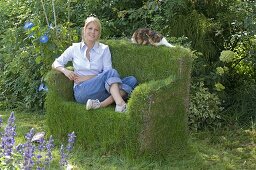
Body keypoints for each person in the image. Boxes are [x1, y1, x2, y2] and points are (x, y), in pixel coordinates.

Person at [52, 16, 137, 113]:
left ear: (99, 34)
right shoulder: (74, 48)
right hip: (82, 91)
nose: (93, 32)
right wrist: (65, 71)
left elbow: (107, 74)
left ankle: (100, 105)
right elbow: (56, 63)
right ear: (84, 29)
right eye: (90, 28)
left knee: (132, 80)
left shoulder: (104, 49)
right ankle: (120, 104)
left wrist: (87, 77)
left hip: (101, 88)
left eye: (96, 30)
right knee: (113, 75)